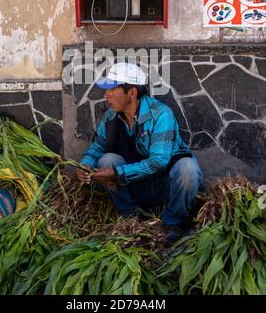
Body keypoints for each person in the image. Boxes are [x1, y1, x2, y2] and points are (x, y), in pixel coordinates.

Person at [77, 62, 202, 244]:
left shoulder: (161, 114)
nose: (106, 95)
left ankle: (173, 224)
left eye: (113, 89)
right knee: (106, 159)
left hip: (164, 185)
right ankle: (131, 219)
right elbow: (96, 148)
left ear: (132, 92)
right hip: (135, 185)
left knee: (188, 168)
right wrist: (85, 164)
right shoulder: (110, 117)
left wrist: (118, 173)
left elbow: (158, 162)